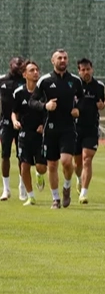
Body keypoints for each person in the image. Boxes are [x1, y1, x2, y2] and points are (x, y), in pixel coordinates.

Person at [29, 49, 84, 209]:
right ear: (53, 61)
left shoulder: (75, 80)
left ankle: (67, 187)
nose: (63, 60)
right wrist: (45, 106)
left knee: (66, 162)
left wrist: (78, 109)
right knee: (52, 165)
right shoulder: (45, 81)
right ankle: (55, 199)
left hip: (68, 128)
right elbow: (33, 101)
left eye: (65, 58)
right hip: (50, 128)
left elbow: (82, 99)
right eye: (59, 58)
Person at [11, 60, 47, 205]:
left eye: (37, 70)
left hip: (40, 135)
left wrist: (43, 125)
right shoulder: (19, 93)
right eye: (32, 70)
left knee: (41, 167)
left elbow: (49, 112)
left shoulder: (44, 92)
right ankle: (31, 196)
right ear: (25, 74)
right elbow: (14, 112)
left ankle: (39, 174)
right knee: (24, 166)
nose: (35, 73)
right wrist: (15, 121)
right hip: (24, 134)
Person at [73, 58, 105, 204]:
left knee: (87, 159)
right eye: (83, 70)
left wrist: (101, 105)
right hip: (75, 128)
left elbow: (102, 103)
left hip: (91, 128)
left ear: (92, 69)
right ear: (79, 71)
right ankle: (79, 179)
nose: (86, 72)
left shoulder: (99, 86)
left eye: (88, 69)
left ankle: (84, 193)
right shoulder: (74, 85)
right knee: (77, 163)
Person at [0, 56, 25, 201]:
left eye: (21, 64)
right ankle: (6, 189)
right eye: (17, 63)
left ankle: (22, 187)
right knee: (5, 155)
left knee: (22, 156)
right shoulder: (2, 80)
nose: (18, 66)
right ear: (11, 64)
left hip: (22, 123)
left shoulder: (25, 81)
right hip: (6, 123)